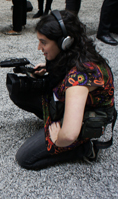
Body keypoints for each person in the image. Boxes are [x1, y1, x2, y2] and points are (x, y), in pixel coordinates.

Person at [14, 10, 115, 170]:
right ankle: (58, 120)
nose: (39, 47)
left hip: (86, 116)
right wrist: (48, 67)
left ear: (64, 42)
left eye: (43, 42)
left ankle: (86, 148)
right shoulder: (75, 50)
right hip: (71, 103)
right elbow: (66, 67)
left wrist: (59, 138)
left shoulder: (79, 78)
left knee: (25, 158)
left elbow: (69, 134)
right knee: (19, 90)